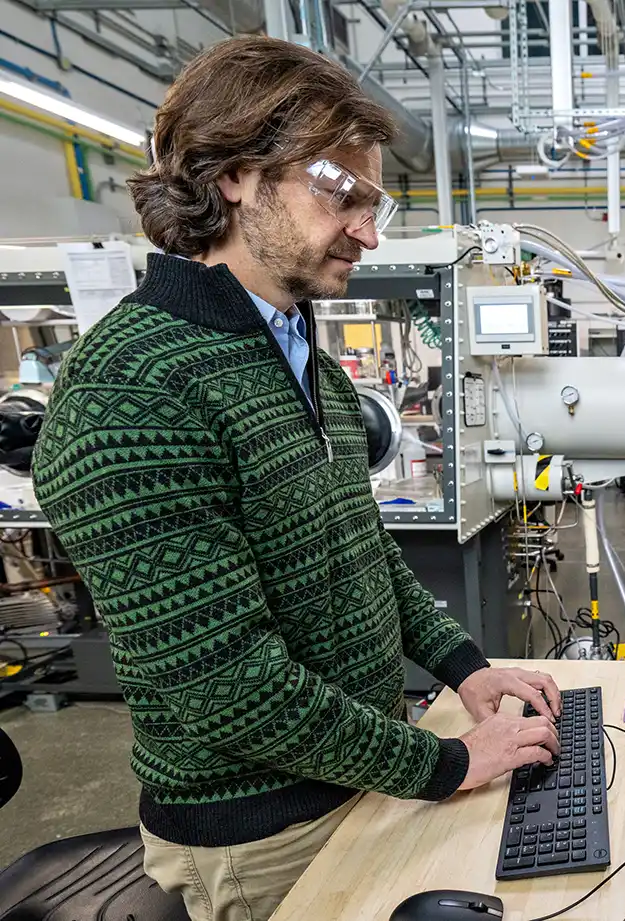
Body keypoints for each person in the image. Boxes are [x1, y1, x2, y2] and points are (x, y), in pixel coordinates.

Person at [31, 35, 560, 921]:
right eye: (338, 190)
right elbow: (227, 685)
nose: (365, 227)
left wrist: (466, 669)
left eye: (373, 199)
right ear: (234, 173)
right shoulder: (133, 388)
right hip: (259, 835)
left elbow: (363, 553)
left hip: (353, 776)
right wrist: (450, 764)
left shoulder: (299, 356)